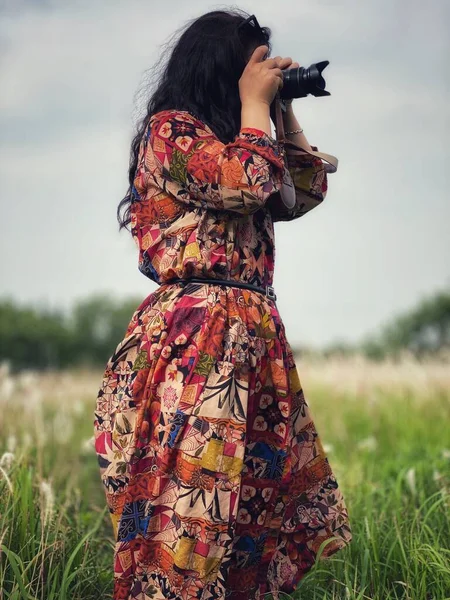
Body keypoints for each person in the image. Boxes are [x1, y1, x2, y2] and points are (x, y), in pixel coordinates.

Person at [94, 8, 352, 600]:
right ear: (222, 68)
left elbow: (303, 191)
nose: (260, 80)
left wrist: (281, 106)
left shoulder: (241, 136)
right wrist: (256, 107)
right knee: (192, 511)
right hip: (200, 335)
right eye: (252, 69)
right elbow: (248, 183)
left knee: (249, 511)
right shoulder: (172, 132)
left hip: (252, 333)